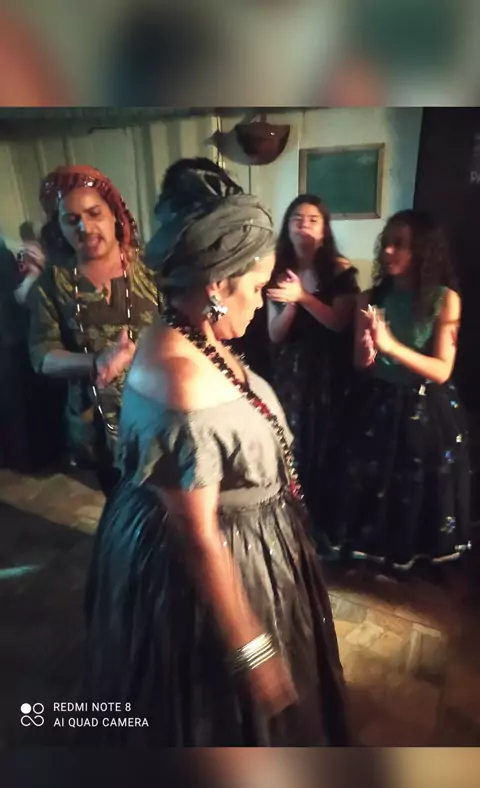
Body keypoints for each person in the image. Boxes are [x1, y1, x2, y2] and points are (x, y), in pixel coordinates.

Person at [83, 158, 349, 746]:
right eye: (255, 286)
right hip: (213, 561)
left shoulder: (194, 332)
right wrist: (251, 651)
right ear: (216, 285)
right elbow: (197, 533)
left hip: (249, 538)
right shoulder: (179, 379)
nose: (260, 300)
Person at [319, 210, 471, 577]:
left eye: (399, 244)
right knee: (369, 479)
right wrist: (370, 352)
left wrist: (391, 347)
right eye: (385, 243)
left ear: (423, 250)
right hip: (378, 400)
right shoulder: (370, 298)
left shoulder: (445, 299)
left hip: (426, 405)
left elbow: (441, 370)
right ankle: (369, 554)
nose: (388, 251)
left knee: (418, 481)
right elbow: (361, 363)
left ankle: (416, 558)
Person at [27, 165, 159, 495]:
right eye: (71, 220)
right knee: (118, 504)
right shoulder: (53, 284)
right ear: (60, 227)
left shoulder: (153, 269)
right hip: (97, 428)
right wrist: (96, 361)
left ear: (114, 214)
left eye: (94, 213)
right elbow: (42, 356)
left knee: (164, 507)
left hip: (158, 418)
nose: (85, 227)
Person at [266, 194, 359, 545]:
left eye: (312, 219)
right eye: (297, 219)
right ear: (287, 227)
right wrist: (290, 303)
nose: (303, 225)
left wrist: (302, 297)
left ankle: (325, 527)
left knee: (326, 443)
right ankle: (292, 521)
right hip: (292, 370)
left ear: (324, 229)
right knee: (291, 442)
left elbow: (337, 322)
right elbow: (275, 333)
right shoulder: (278, 270)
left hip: (330, 370)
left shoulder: (339, 269)